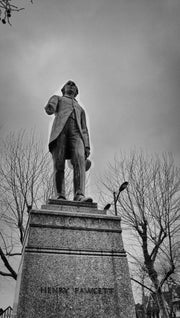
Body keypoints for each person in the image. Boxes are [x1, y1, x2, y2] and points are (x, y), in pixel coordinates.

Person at [45, 80, 92, 202]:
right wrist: (50, 106)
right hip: (60, 132)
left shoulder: (80, 109)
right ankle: (60, 194)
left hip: (77, 134)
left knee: (79, 160)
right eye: (68, 84)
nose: (71, 86)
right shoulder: (58, 99)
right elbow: (51, 109)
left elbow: (84, 129)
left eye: (74, 85)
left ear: (76, 92)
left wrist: (87, 146)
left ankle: (79, 194)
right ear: (63, 89)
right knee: (59, 164)